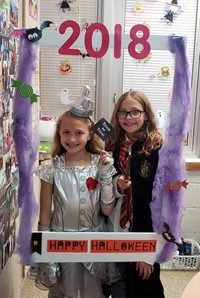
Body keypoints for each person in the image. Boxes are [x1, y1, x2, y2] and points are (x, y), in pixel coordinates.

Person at [28, 109, 120, 298]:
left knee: (92, 291)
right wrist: (43, 250)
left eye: (79, 133)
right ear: (59, 133)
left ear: (90, 134)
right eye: (66, 132)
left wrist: (105, 174)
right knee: (64, 289)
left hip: (92, 240)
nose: (72, 139)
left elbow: (107, 208)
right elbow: (44, 213)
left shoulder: (99, 165)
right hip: (62, 242)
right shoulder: (50, 168)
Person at [105, 90, 165, 298]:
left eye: (134, 112)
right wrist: (117, 183)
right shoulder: (111, 144)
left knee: (144, 284)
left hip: (144, 228)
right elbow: (103, 181)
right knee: (116, 283)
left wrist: (147, 251)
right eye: (123, 112)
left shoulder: (157, 148)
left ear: (146, 114)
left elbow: (160, 204)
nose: (128, 118)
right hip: (115, 226)